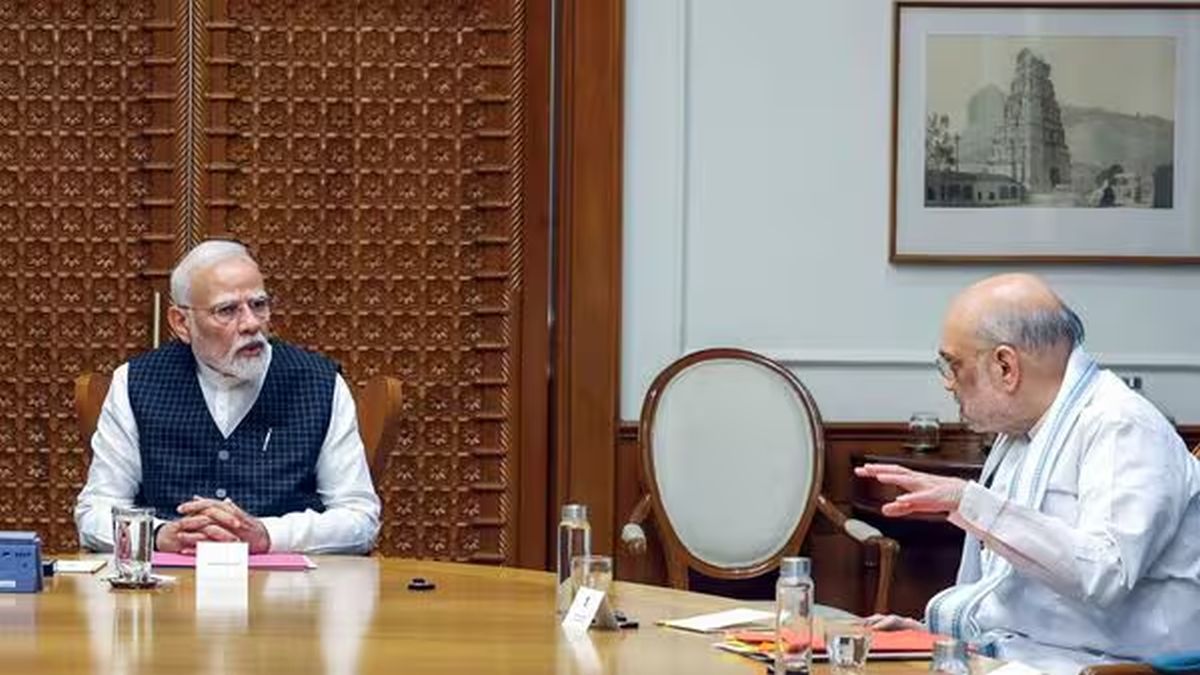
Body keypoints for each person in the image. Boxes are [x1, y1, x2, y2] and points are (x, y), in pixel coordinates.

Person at [856, 274, 1200, 674]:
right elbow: (1025, 600)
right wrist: (931, 637)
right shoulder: (1023, 435)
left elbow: (1104, 574)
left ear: (1005, 366)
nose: (948, 384)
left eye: (952, 365)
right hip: (1029, 654)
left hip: (1108, 667)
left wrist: (970, 502)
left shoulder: (1121, 425)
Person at [75, 240, 381, 554]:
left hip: (288, 594)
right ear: (182, 323)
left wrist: (267, 535)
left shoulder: (319, 383)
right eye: (227, 310)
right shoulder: (135, 382)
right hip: (167, 592)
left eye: (258, 305)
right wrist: (160, 535)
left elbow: (359, 518)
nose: (250, 324)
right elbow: (94, 513)